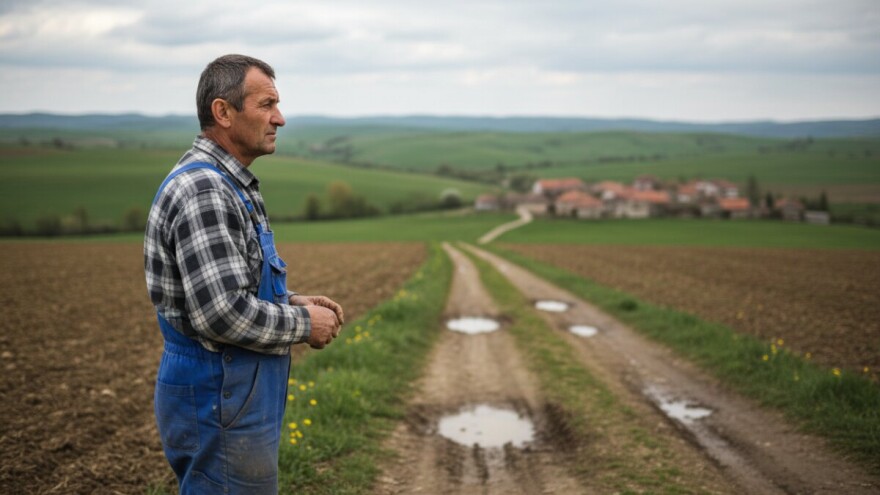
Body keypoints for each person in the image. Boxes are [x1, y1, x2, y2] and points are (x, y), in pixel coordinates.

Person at [144, 54, 344, 494]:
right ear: (223, 112)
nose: (281, 118)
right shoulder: (205, 190)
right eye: (267, 104)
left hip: (229, 390)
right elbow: (221, 315)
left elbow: (234, 288)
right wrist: (304, 324)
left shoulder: (230, 183)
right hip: (219, 391)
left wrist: (291, 301)